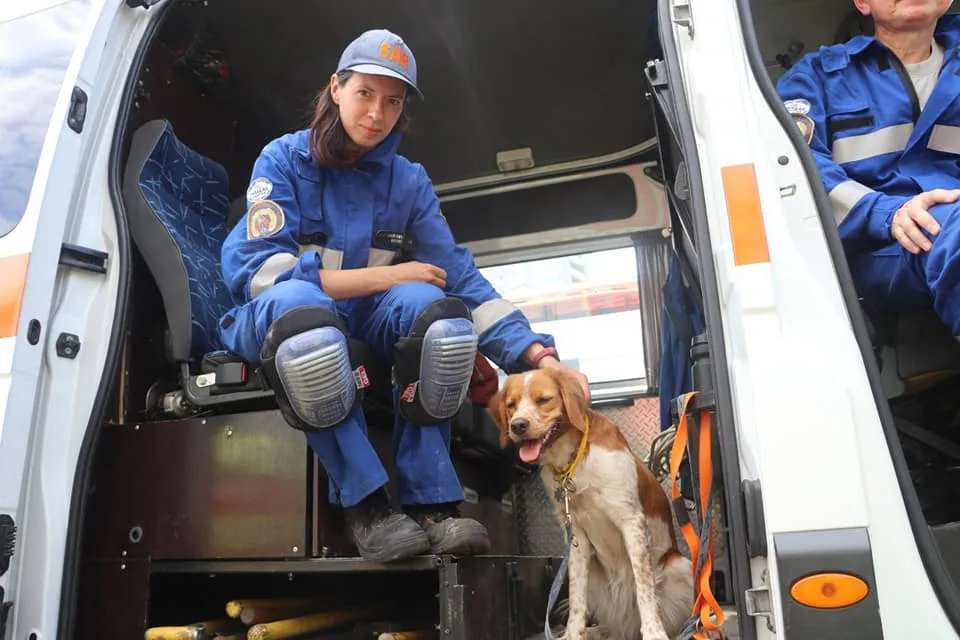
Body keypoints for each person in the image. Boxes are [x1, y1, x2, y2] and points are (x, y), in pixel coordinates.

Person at [217, 28, 590, 563]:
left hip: (360, 320)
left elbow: (459, 277)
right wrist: (389, 277)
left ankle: (430, 507)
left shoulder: (407, 182)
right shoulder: (282, 161)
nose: (376, 112)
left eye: (392, 102)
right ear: (336, 88)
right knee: (308, 323)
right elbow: (262, 271)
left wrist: (538, 355)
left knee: (441, 318)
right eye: (365, 93)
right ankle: (365, 504)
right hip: (277, 317)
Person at [776, 1, 960, 338]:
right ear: (862, 2)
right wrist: (889, 213)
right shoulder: (816, 78)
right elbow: (793, 169)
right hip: (875, 252)